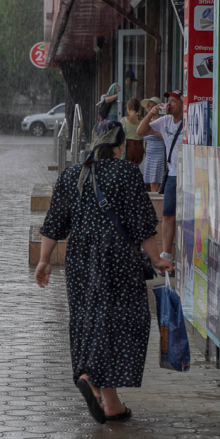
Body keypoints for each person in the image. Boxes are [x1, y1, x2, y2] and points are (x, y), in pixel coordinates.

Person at [35, 121, 172, 423]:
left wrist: (44, 260)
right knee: (124, 320)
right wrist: (157, 258)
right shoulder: (126, 172)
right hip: (118, 258)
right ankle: (93, 378)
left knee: (90, 319)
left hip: (80, 259)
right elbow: (141, 223)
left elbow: (54, 221)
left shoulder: (73, 174)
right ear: (120, 147)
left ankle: (109, 402)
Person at [137, 90, 184, 261]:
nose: (169, 104)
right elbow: (140, 131)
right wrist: (151, 113)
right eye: (168, 100)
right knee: (168, 213)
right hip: (172, 174)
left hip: (190, 175)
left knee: (189, 217)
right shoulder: (164, 121)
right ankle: (166, 254)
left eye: (173, 100)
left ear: (182, 104)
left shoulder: (189, 122)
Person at [140, 97, 165, 192]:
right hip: (150, 155)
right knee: (151, 182)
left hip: (160, 154)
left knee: (158, 181)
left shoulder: (163, 120)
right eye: (149, 106)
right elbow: (141, 134)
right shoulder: (147, 121)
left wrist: (153, 132)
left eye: (153, 106)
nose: (151, 108)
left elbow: (166, 136)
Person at [121, 98, 144, 165]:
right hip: (139, 148)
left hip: (128, 148)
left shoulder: (124, 120)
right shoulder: (142, 120)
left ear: (128, 108)